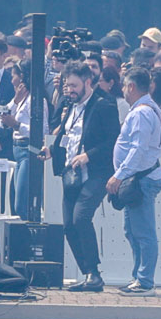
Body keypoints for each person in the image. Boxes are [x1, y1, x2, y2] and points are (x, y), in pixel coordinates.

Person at [52, 65, 119, 294]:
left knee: (81, 217)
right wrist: (52, 149)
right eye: (66, 85)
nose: (69, 90)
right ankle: (89, 273)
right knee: (69, 225)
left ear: (88, 82)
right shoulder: (69, 106)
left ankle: (94, 273)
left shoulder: (104, 105)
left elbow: (113, 141)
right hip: (72, 173)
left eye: (74, 85)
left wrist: (88, 155)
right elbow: (67, 135)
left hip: (96, 172)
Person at [106, 64, 161, 296]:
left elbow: (138, 149)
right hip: (136, 179)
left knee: (143, 232)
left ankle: (145, 281)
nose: (122, 89)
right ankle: (138, 277)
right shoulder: (147, 109)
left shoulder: (142, 112)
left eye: (123, 85)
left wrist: (119, 175)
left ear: (131, 86)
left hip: (141, 179)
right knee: (132, 231)